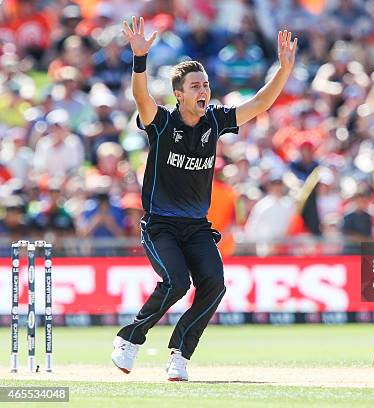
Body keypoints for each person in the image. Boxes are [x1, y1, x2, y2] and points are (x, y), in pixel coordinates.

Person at [111, 16, 297, 381]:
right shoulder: (162, 122)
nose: (203, 90)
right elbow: (141, 97)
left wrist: (284, 69)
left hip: (196, 226)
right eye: (195, 85)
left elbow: (260, 103)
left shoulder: (215, 121)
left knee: (214, 283)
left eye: (206, 84)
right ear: (179, 93)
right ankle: (130, 339)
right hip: (161, 224)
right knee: (177, 282)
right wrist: (139, 60)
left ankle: (180, 353)